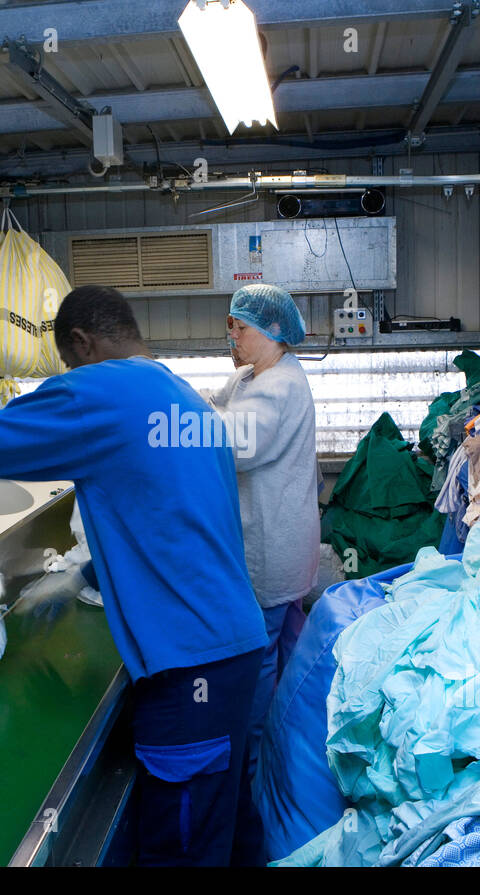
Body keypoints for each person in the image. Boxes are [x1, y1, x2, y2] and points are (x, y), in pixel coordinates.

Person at [0, 285, 268, 866]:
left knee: (183, 845)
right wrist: (96, 571)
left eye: (67, 363)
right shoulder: (177, 392)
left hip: (189, 665)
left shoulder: (94, 391)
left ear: (80, 342)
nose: (66, 376)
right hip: (233, 647)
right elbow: (180, 513)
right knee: (224, 823)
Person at [201, 284, 320, 832]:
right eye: (229, 326)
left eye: (239, 328)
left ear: (272, 332)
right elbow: (222, 411)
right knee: (269, 643)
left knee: (260, 657)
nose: (232, 336)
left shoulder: (282, 387)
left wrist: (173, 415)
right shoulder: (251, 378)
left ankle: (252, 772)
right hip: (262, 538)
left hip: (272, 545)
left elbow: (237, 444)